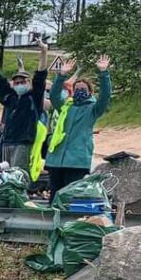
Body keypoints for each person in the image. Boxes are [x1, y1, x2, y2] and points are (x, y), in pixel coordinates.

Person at [45, 55, 113, 201]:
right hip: (56, 159)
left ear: (90, 92)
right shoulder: (65, 106)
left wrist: (103, 73)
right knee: (54, 196)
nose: (80, 91)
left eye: (83, 89)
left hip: (77, 161)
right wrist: (61, 75)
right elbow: (54, 95)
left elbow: (105, 97)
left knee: (70, 197)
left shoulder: (93, 109)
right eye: (77, 89)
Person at [0, 39, 49, 175]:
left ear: (28, 82)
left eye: (23, 82)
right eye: (16, 82)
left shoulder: (34, 97)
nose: (19, 84)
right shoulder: (10, 97)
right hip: (7, 141)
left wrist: (44, 51)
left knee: (18, 174)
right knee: (6, 174)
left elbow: (41, 75)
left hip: (23, 142)